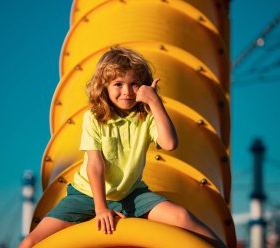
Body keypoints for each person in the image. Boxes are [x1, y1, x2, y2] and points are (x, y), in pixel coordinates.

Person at [20, 47, 224, 247]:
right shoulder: (95, 117)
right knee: (32, 241)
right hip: (87, 194)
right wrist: (101, 209)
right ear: (104, 86)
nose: (126, 91)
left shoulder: (146, 116)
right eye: (118, 84)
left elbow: (170, 144)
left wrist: (155, 102)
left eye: (134, 84)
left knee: (182, 217)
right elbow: (95, 165)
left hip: (131, 194)